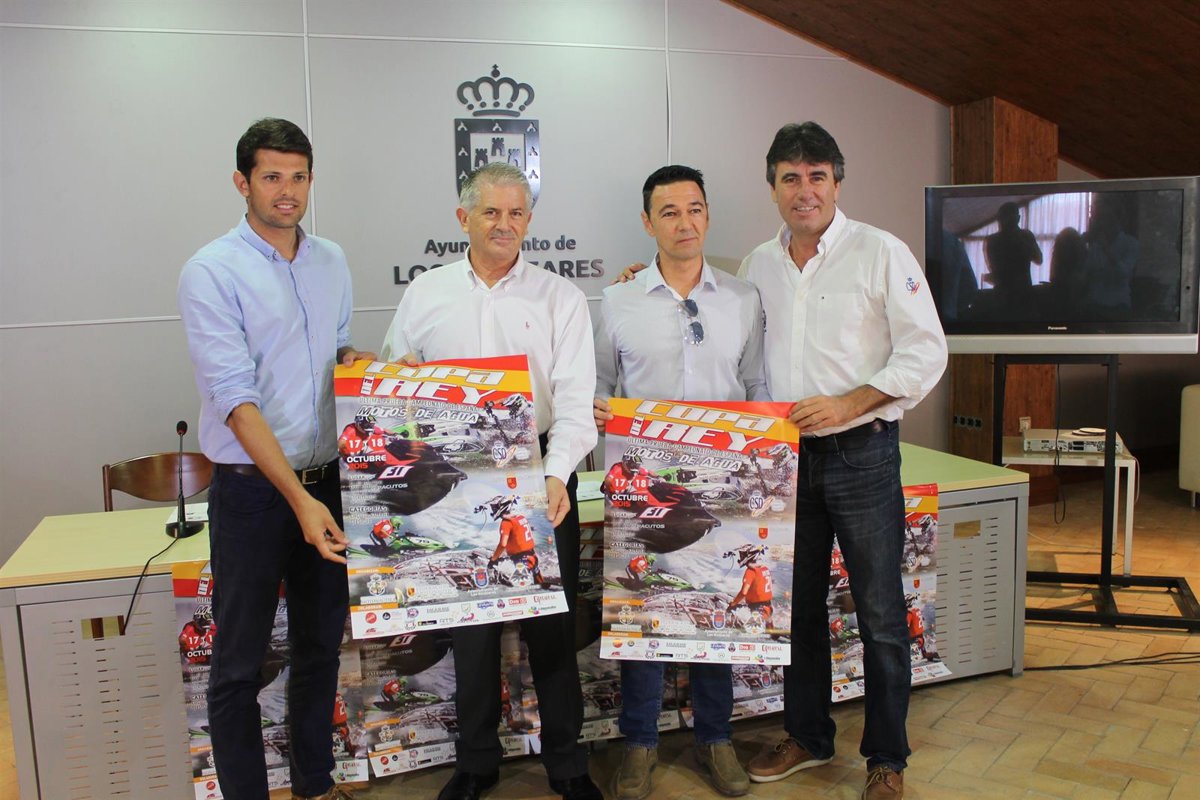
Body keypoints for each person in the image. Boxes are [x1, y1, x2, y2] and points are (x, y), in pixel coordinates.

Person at [737, 122, 947, 800]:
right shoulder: (756, 265)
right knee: (797, 609)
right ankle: (807, 736)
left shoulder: (881, 252)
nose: (805, 190)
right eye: (790, 178)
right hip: (784, 463)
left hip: (862, 455)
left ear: (836, 181)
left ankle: (887, 759)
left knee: (880, 615)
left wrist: (849, 403)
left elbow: (926, 352)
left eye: (817, 176)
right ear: (773, 187)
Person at [380, 162, 600, 800]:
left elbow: (576, 404)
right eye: (491, 212)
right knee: (468, 626)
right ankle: (476, 762)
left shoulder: (560, 297)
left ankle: (567, 763)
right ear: (463, 218)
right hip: (451, 479)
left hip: (540, 474)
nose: (505, 225)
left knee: (551, 628)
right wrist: (393, 377)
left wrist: (555, 476)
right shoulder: (426, 293)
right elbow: (393, 383)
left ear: (529, 220)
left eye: (517, 213)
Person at [178, 118, 375, 800]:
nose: (286, 191)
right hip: (255, 495)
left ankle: (315, 784)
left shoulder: (332, 260)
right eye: (271, 177)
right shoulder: (211, 271)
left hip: (329, 483)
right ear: (242, 182)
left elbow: (337, 349)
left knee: (320, 648)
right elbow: (236, 401)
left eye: (298, 177)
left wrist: (360, 363)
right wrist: (299, 499)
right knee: (239, 665)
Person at [593, 164, 768, 799]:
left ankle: (716, 739)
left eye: (694, 209)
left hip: (721, 487)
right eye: (669, 212)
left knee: (717, 608)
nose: (684, 223)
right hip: (645, 489)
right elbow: (598, 384)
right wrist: (597, 413)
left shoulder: (743, 298)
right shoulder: (617, 300)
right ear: (648, 223)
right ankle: (639, 744)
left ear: (708, 215)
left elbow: (757, 386)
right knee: (643, 610)